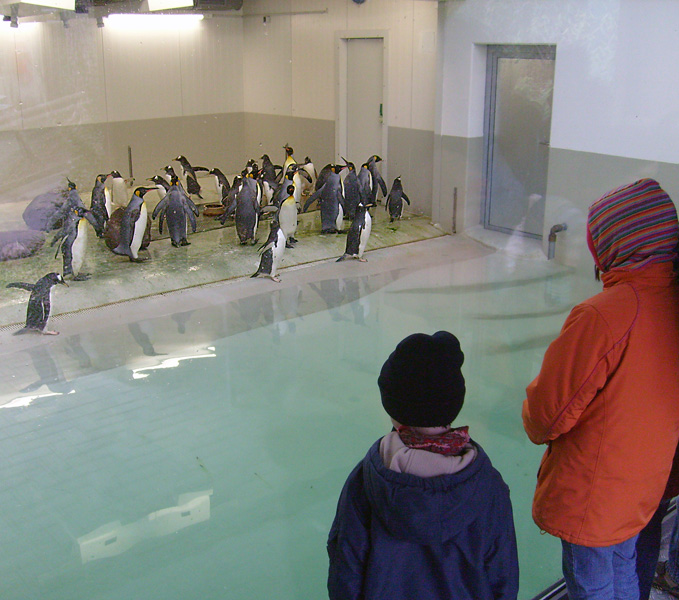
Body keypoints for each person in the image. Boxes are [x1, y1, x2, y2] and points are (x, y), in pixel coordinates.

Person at [522, 178, 679, 600]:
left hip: (592, 497)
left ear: (612, 245)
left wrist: (530, 405)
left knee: (591, 585)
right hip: (643, 486)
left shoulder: (605, 315)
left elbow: (546, 416)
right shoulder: (670, 301)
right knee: (625, 568)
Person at [327, 331, 519, 600]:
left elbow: (345, 574)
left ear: (392, 409)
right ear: (454, 404)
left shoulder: (364, 482)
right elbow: (502, 576)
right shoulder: (489, 486)